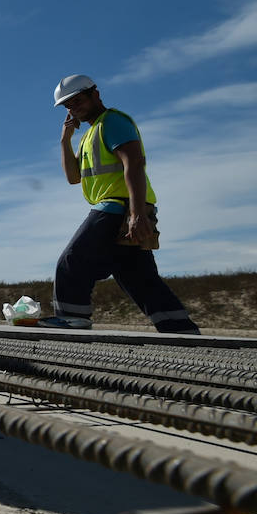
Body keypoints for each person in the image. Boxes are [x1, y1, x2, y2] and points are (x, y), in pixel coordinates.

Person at [40, 74, 199, 334]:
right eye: (68, 106)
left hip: (117, 208)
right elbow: (72, 177)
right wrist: (65, 140)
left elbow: (134, 163)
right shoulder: (90, 133)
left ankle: (71, 318)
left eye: (77, 101)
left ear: (95, 94)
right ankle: (180, 328)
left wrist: (137, 213)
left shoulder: (112, 122)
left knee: (71, 262)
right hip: (121, 208)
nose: (73, 108)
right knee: (138, 277)